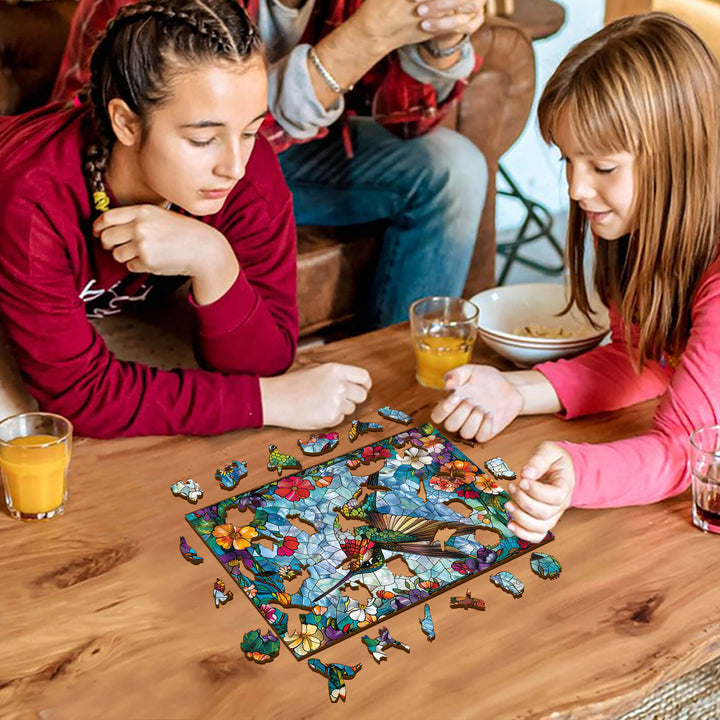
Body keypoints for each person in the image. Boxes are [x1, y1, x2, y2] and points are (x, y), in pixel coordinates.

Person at [0, 0, 371, 438]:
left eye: (250, 130)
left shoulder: (247, 170)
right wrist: (270, 400)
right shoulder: (32, 200)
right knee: (22, 433)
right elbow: (82, 398)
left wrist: (214, 260)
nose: (234, 165)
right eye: (203, 139)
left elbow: (268, 358)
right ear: (126, 123)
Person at [431, 12, 720, 541]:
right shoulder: (642, 230)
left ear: (681, 158)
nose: (574, 188)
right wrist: (515, 391)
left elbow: (689, 448)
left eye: (602, 167)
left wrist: (579, 472)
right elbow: (643, 358)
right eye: (568, 160)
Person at [51, 0, 489, 328]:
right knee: (226, 149)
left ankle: (403, 382)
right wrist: (362, 39)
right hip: (151, 164)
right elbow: (105, 136)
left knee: (454, 167)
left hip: (287, 148)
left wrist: (440, 41)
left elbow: (411, 124)